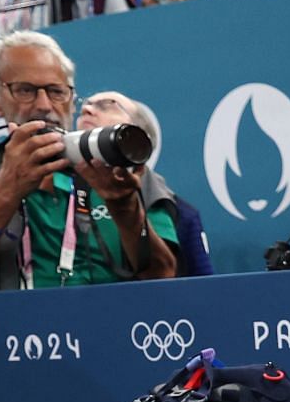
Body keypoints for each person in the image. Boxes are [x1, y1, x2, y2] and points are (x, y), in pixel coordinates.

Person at [0, 30, 178, 291]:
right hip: (7, 330)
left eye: (56, 91)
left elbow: (163, 276)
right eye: (25, 90)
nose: (44, 105)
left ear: (71, 99)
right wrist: (8, 187)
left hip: (110, 326)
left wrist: (124, 207)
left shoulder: (118, 172)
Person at [76, 90, 214, 276]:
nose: (86, 109)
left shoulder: (178, 212)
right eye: (86, 104)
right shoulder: (53, 187)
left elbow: (202, 288)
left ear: (138, 133)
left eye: (107, 105)